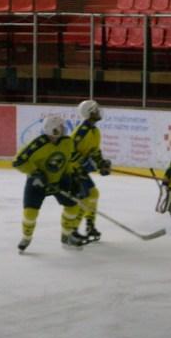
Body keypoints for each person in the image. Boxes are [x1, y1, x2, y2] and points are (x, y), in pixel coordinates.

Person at [12, 115, 86, 252]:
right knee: (30, 213)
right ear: (53, 129)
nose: (64, 129)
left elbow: (68, 161)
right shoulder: (37, 144)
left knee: (72, 207)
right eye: (61, 127)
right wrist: (35, 173)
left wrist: (73, 176)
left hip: (60, 181)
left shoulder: (67, 142)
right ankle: (26, 237)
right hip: (38, 183)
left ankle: (67, 236)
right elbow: (17, 162)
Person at [69, 99, 111, 242]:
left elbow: (95, 152)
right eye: (95, 110)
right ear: (89, 113)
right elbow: (69, 151)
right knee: (86, 197)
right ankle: (72, 230)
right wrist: (84, 163)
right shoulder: (82, 131)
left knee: (93, 194)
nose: (98, 112)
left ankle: (89, 225)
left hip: (81, 170)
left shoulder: (95, 131)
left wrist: (101, 163)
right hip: (72, 171)